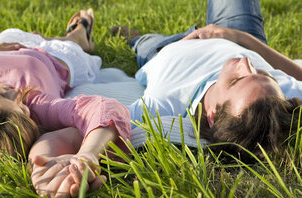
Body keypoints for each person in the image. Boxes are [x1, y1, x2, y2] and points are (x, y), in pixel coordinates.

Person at [0, 9, 131, 198]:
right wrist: (88, 154)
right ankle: (80, 31)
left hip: (0, 47)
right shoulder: (34, 102)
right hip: (55, 56)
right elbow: (104, 110)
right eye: (22, 110)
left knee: (16, 33)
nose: (16, 93)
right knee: (74, 42)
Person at [109, 0, 302, 160]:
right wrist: (242, 38)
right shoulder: (278, 98)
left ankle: (134, 38)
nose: (246, 62)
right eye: (265, 74)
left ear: (211, 116)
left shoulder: (164, 102)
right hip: (234, 34)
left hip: (162, 49)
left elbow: (107, 124)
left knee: (144, 43)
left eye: (236, 81)